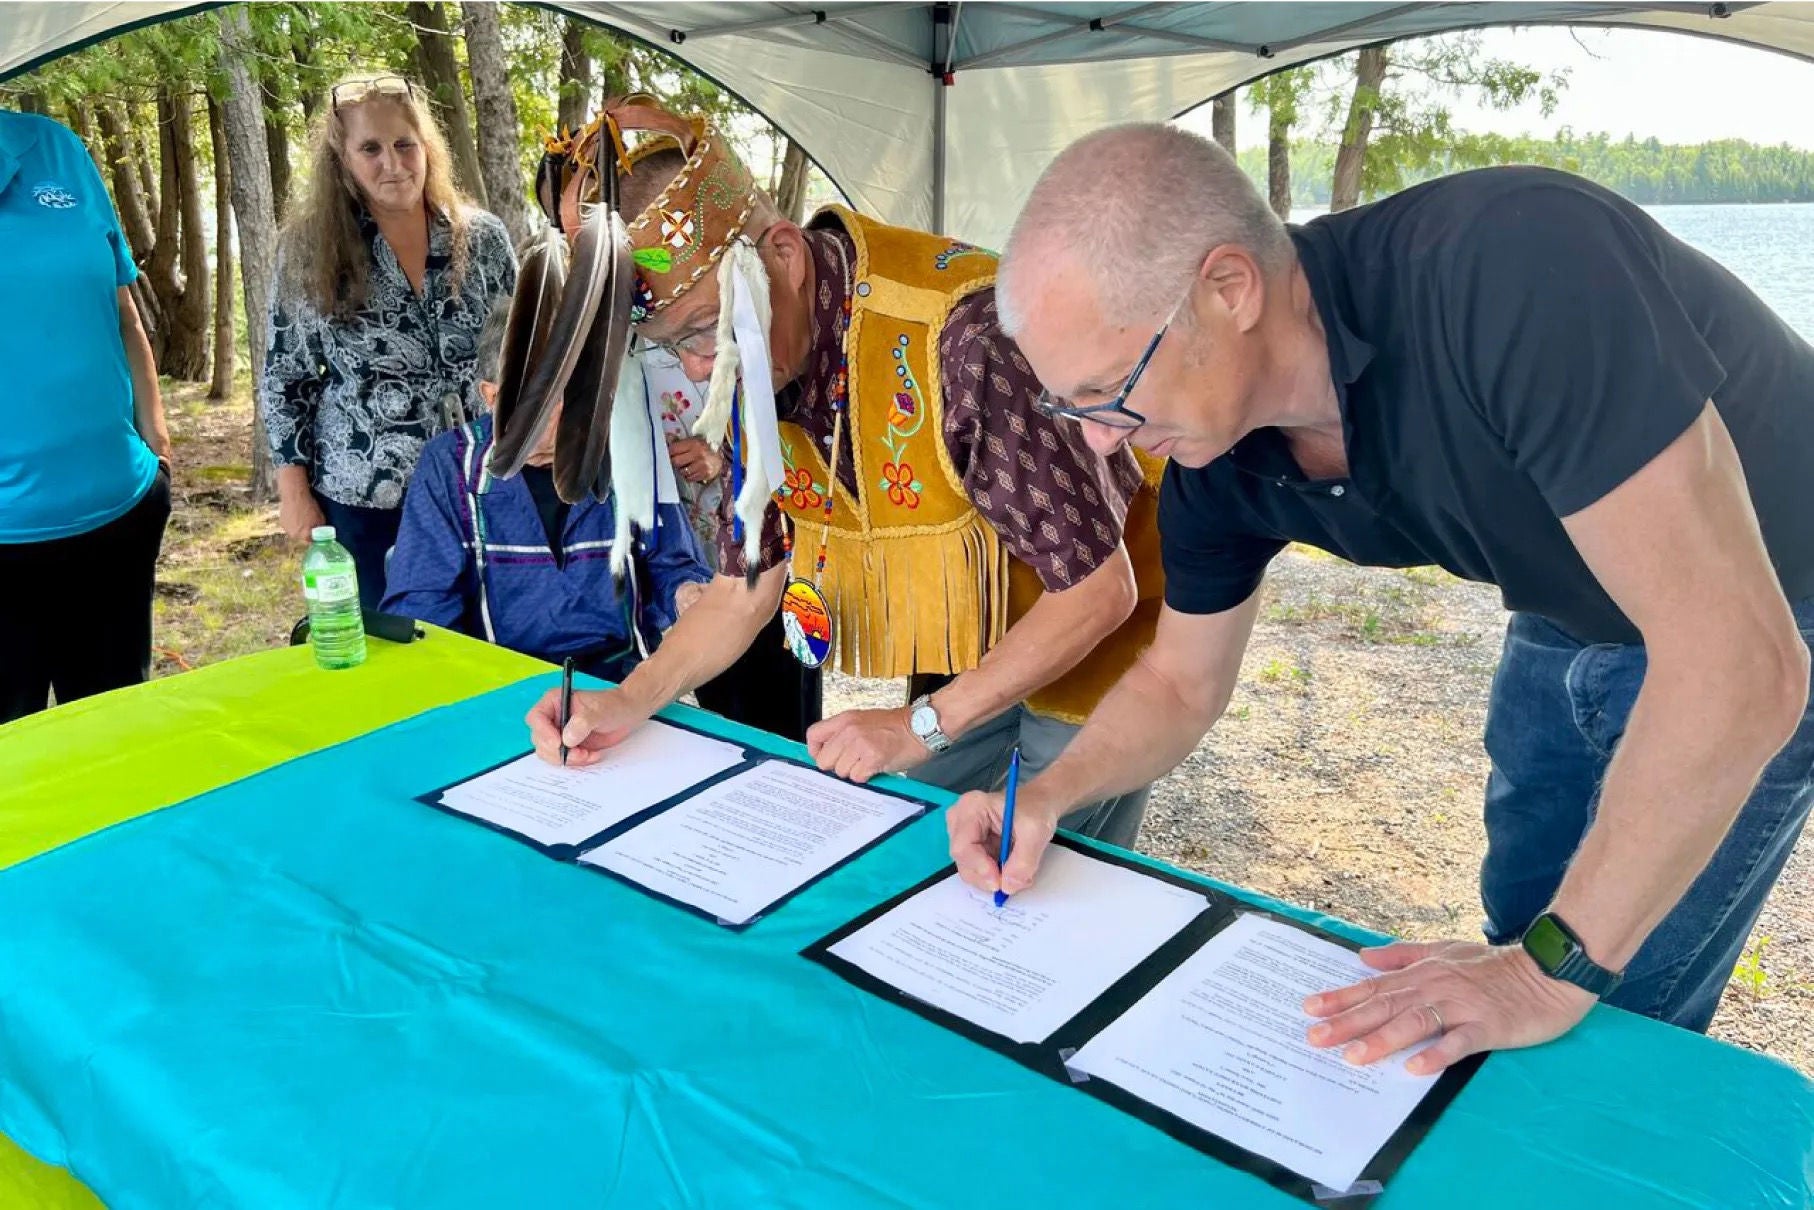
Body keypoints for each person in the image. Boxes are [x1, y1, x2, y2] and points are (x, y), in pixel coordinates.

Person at [952, 124, 1814, 1071]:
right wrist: (1047, 793)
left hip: (1775, 591)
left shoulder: (1515, 268)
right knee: (1526, 915)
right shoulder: (1212, 453)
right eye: (1070, 408)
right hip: (1564, 597)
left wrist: (1547, 975)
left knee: (1613, 988)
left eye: (1107, 391)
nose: (1104, 442)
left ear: (1228, 288)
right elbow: (1178, 684)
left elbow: (1738, 663)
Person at [520, 97, 1168, 845]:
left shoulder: (968, 341)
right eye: (676, 345)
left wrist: (919, 724)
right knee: (917, 847)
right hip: (975, 642)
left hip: (1094, 625)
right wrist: (626, 700)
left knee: (1042, 860)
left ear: (787, 256)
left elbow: (1098, 590)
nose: (702, 366)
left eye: (705, 327)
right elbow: (744, 586)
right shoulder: (748, 359)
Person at [382, 251, 711, 681]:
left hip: (621, 683)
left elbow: (675, 565)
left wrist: (688, 594)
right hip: (501, 689)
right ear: (492, 397)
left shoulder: (626, 447)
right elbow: (422, 612)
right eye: (547, 393)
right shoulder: (450, 468)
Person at [261, 74, 517, 610]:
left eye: (405, 144)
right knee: (393, 649)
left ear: (427, 147)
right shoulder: (310, 251)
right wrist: (293, 490)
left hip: (483, 484)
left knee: (490, 639)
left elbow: (523, 354)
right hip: (367, 496)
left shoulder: (484, 237)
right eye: (370, 149)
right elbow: (286, 378)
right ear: (343, 160)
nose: (393, 163)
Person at [0, 109, 172, 724]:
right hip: (7, 536)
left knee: (118, 744)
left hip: (118, 516)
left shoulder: (55, 147)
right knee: (15, 780)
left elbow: (122, 309)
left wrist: (155, 443)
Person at [644, 343, 822, 742]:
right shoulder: (631, 370)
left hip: (777, 560)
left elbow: (791, 447)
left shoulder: (755, 342)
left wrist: (724, 462)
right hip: (700, 574)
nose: (694, 367)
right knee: (727, 720)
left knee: (794, 716)